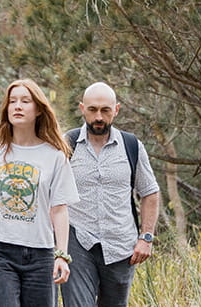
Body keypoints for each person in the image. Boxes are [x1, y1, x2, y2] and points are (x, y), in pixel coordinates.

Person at [0, 79, 78, 307]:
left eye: (25, 101)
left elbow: (59, 210)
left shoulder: (54, 155)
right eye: (12, 101)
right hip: (0, 252)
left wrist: (62, 255)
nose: (17, 106)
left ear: (38, 110)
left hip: (41, 254)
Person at [59, 83, 163, 307]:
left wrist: (146, 238)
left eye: (105, 110)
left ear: (116, 110)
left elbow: (150, 192)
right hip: (77, 242)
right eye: (93, 109)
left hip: (120, 246)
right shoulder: (66, 143)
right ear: (82, 109)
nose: (98, 117)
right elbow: (50, 192)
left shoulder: (131, 145)